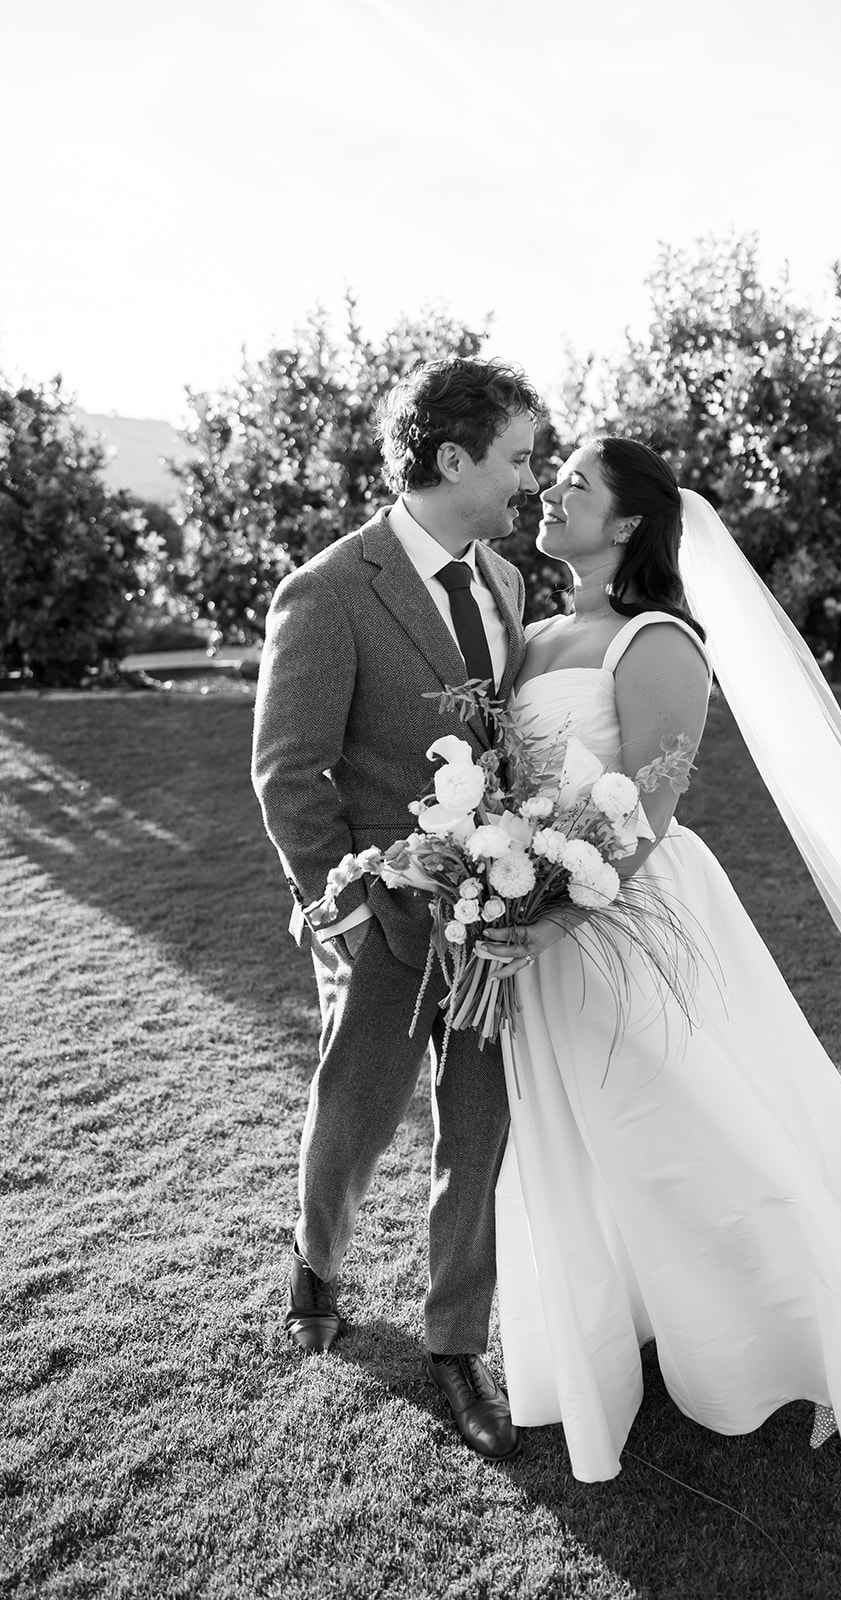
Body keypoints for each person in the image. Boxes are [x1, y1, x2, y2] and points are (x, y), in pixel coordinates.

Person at [478, 437, 841, 1482]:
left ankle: (788, 1321)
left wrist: (559, 913)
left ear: (624, 525)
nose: (550, 491)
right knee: (582, 1126)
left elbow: (650, 803)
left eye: (575, 482)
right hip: (537, 909)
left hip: (627, 912)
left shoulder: (657, 639)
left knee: (680, 1115)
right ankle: (633, 1305)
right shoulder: (531, 632)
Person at [251, 356, 544, 1461]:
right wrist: (360, 904)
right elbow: (288, 773)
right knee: (355, 1112)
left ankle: (454, 1340)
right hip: (384, 921)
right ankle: (317, 1256)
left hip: (492, 916)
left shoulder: (506, 583)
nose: (528, 476)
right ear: (454, 457)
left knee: (480, 1125)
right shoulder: (328, 590)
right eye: (515, 455)